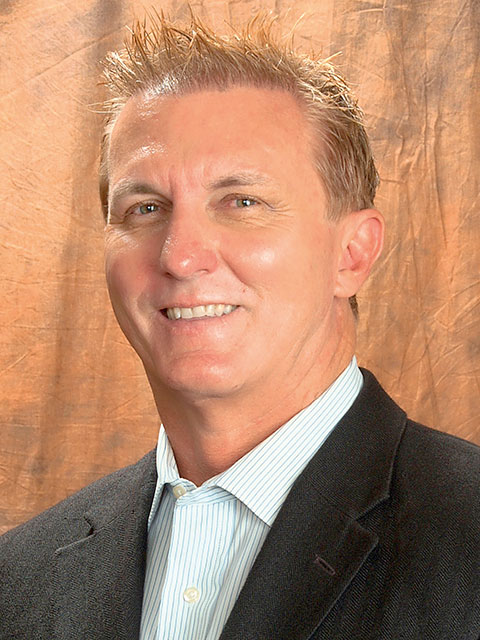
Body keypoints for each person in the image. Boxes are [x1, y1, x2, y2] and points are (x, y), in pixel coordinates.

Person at [1, 12, 479, 640]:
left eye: (242, 202)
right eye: (145, 208)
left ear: (352, 254)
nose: (180, 256)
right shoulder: (18, 579)